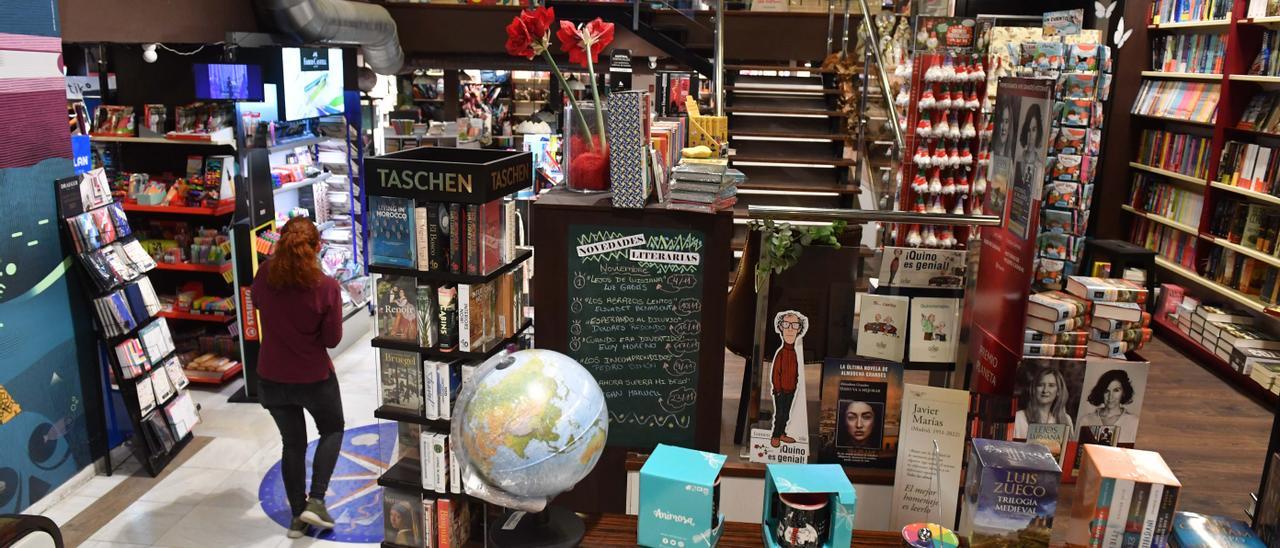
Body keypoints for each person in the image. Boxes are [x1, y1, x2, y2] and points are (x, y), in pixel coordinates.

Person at [251, 217, 345, 539]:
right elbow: (331, 339)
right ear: (317, 247)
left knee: (292, 444)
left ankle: (296, 517)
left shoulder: (264, 275)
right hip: (313, 377)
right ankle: (316, 500)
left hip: (272, 376)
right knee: (332, 429)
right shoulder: (327, 287)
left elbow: (258, 303)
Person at [770, 312, 807, 448]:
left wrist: (795, 385)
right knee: (779, 414)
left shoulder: (794, 353)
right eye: (786, 325)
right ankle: (775, 435)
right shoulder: (781, 353)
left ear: (799, 329)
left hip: (791, 390)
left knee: (786, 414)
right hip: (781, 391)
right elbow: (775, 374)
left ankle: (781, 433)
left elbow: (795, 372)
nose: (790, 329)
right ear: (781, 328)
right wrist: (778, 390)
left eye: (794, 325)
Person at [1077, 369, 1141, 444]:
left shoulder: (1134, 423)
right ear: (1101, 393)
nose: (1111, 396)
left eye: (1116, 390)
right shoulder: (1085, 421)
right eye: (1106, 391)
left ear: (1123, 392)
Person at [1014, 366, 1075, 440]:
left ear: (1058, 391)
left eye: (1051, 385)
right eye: (1041, 385)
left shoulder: (1067, 419)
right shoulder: (1019, 418)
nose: (1045, 390)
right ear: (1034, 389)